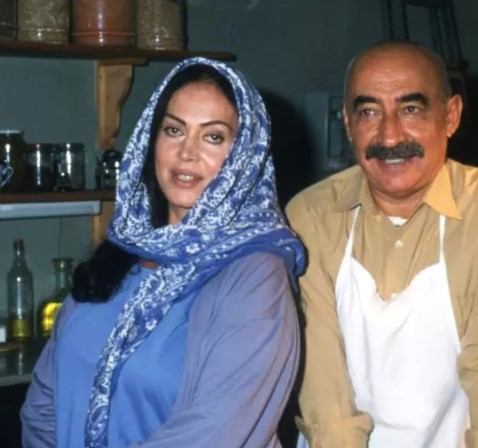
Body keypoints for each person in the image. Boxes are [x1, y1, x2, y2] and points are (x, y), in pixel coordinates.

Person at [21, 57, 305, 448]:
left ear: (245, 157)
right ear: (149, 140)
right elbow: (43, 406)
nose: (186, 152)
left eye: (213, 137)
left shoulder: (256, 277)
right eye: (174, 130)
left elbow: (208, 435)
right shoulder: (121, 254)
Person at [286, 41, 478, 448]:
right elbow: (324, 390)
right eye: (369, 112)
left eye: (411, 109)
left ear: (450, 116)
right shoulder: (312, 215)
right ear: (348, 124)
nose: (390, 136)